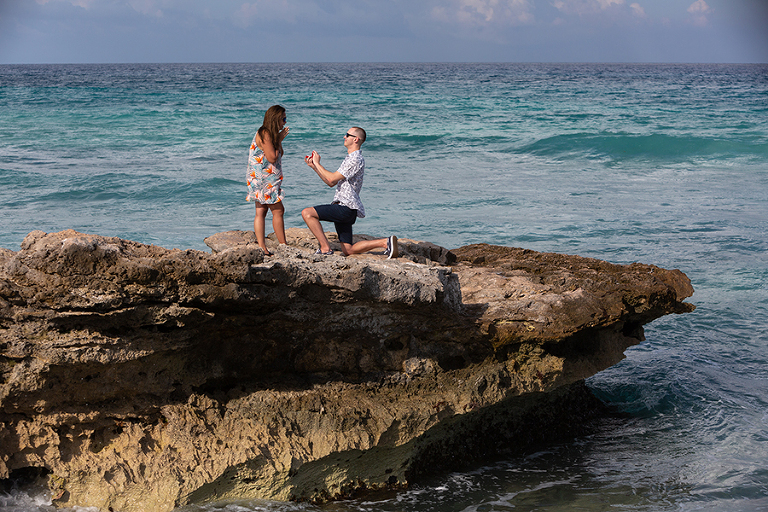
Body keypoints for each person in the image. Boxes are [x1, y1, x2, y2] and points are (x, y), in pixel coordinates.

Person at [302, 126, 398, 259]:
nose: (344, 137)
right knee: (348, 250)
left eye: (347, 135)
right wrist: (315, 167)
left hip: (345, 208)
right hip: (346, 208)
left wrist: (318, 163)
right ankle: (385, 242)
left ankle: (325, 248)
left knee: (307, 213)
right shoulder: (350, 158)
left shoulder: (355, 159)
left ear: (356, 139)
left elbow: (331, 178)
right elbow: (331, 183)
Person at [246, 105, 289, 255]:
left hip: (259, 178)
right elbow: (272, 157)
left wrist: (278, 139)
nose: (284, 122)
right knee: (278, 210)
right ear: (275, 118)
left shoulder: (267, 133)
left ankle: (262, 247)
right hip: (265, 179)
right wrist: (280, 139)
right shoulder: (266, 133)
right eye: (283, 119)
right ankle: (283, 246)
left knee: (261, 211)